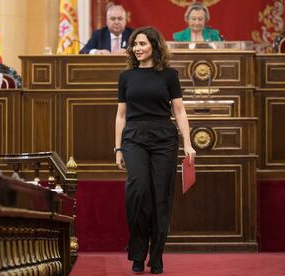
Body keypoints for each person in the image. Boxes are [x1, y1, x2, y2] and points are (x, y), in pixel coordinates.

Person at [115, 26, 196, 274]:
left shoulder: (169, 75)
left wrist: (188, 143)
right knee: (138, 191)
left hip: (164, 137)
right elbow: (120, 115)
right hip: (134, 137)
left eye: (142, 44)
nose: (137, 48)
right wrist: (118, 147)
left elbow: (179, 111)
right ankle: (138, 252)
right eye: (134, 45)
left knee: (161, 196)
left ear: (154, 45)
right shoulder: (126, 76)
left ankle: (157, 255)